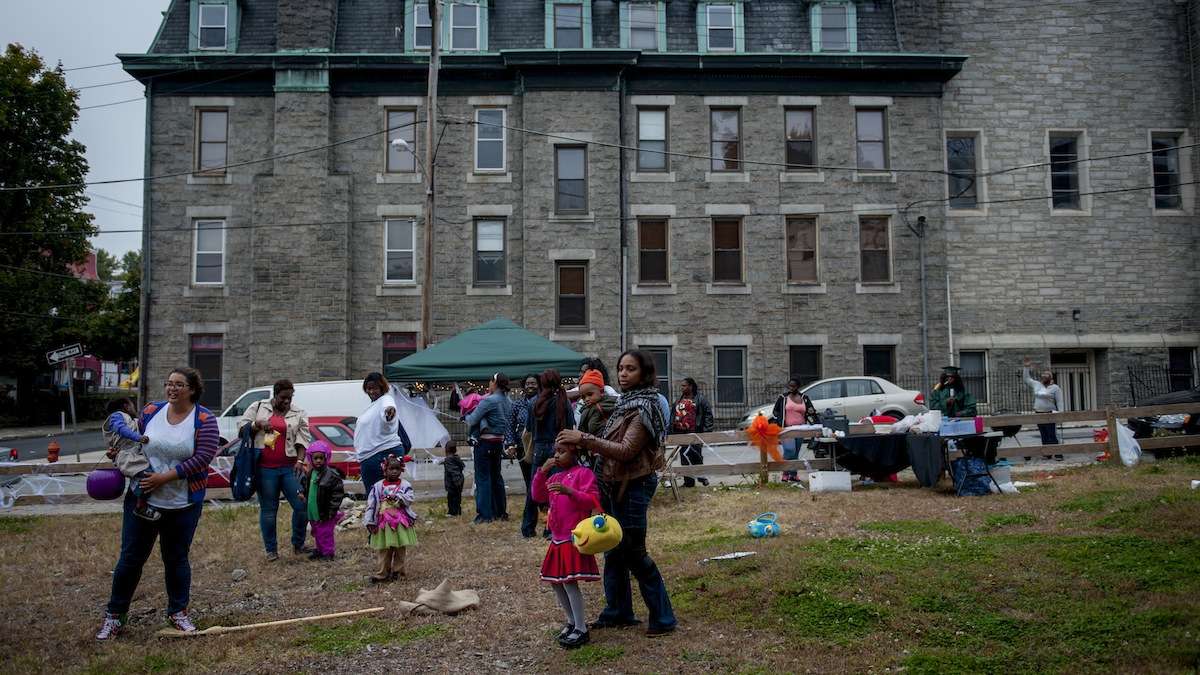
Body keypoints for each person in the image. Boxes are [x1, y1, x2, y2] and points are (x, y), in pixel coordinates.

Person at [557, 349, 677, 638]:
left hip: (633, 485)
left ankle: (663, 618)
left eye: (631, 369)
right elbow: (609, 444)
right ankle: (618, 611)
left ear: (644, 373)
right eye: (621, 368)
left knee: (635, 553)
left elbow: (626, 451)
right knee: (613, 550)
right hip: (612, 483)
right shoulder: (624, 404)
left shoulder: (645, 407)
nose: (623, 373)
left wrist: (583, 437)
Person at [96, 367, 219, 639]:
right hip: (143, 499)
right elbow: (135, 443)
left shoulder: (204, 419)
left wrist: (164, 477)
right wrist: (119, 451)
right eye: (169, 384)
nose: (171, 389)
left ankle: (178, 613)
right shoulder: (152, 411)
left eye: (178, 385)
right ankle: (115, 617)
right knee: (130, 559)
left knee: (176, 559)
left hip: (183, 503)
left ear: (192, 389)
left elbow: (203, 458)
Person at [531, 441, 602, 649]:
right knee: (555, 581)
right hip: (557, 537)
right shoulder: (554, 477)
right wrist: (541, 473)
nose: (557, 456)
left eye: (562, 452)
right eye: (555, 452)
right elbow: (538, 496)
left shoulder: (583, 474)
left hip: (573, 537)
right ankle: (571, 621)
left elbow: (592, 501)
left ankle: (581, 627)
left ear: (575, 453)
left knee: (570, 582)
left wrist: (569, 491)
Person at [238, 379, 313, 561]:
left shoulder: (298, 412)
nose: (286, 401)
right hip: (265, 469)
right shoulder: (258, 407)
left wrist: (300, 460)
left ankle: (298, 544)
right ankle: (271, 550)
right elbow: (241, 429)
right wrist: (258, 425)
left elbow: (304, 438)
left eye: (289, 398)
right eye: (283, 398)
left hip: (290, 468)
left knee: (302, 506)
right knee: (269, 510)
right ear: (275, 394)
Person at [527, 369, 575, 538]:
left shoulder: (534, 402)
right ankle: (550, 529)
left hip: (539, 447)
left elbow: (530, 429)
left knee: (534, 487)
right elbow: (570, 426)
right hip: (559, 447)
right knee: (556, 489)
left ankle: (527, 527)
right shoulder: (563, 402)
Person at [466, 373, 515, 523]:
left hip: (485, 442)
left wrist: (466, 416)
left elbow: (472, 420)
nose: (489, 383)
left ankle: (485, 515)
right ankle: (500, 512)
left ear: (495, 383)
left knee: (483, 478)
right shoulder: (508, 400)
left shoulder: (489, 400)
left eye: (490, 381)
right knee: (496, 477)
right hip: (498, 442)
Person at [355, 372, 412, 494]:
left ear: (382, 388)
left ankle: (386, 514)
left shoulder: (386, 400)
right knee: (381, 495)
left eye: (374, 388)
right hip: (372, 455)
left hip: (381, 453)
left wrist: (389, 412)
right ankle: (384, 513)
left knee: (381, 495)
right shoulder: (373, 405)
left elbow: (388, 409)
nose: (371, 391)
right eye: (368, 388)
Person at [364, 455, 417, 582]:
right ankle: (382, 573)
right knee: (384, 549)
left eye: (397, 469)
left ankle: (399, 573)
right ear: (385, 469)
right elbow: (371, 504)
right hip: (384, 524)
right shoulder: (377, 486)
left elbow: (410, 498)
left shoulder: (405, 485)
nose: (394, 471)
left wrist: (399, 497)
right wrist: (369, 520)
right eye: (391, 469)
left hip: (400, 524)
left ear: (401, 470)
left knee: (400, 548)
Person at [103, 397, 157, 521]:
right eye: (132, 406)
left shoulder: (132, 420)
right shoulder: (116, 416)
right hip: (126, 456)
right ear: (126, 406)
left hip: (133, 455)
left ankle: (142, 502)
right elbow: (121, 429)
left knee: (148, 475)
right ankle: (140, 505)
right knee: (148, 475)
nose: (135, 409)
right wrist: (138, 437)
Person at [299, 440, 345, 561]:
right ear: (311, 459)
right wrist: (302, 493)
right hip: (313, 511)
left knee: (325, 533)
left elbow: (337, 494)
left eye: (321, 458)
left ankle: (328, 553)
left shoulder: (331, 475)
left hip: (325, 511)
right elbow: (306, 486)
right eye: (315, 458)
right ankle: (320, 550)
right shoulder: (310, 473)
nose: (318, 461)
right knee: (317, 531)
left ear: (326, 458)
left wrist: (332, 510)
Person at [770, 378, 817, 482]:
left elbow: (811, 411)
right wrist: (779, 421)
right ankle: (785, 473)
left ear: (798, 386)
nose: (791, 388)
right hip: (787, 429)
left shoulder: (804, 398)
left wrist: (811, 412)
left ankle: (793, 475)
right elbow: (775, 411)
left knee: (795, 452)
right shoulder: (783, 398)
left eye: (793, 386)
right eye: (789, 386)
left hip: (801, 429)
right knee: (789, 450)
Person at [671, 378, 714, 488]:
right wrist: (673, 430)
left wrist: (706, 431)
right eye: (681, 386)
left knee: (697, 457)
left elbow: (708, 415)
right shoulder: (678, 400)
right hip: (682, 434)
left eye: (684, 385)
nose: (682, 388)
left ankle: (702, 477)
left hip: (696, 433)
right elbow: (673, 415)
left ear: (690, 386)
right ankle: (689, 482)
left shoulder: (700, 399)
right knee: (685, 458)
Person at [1024, 358, 1066, 461]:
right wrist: (1026, 367)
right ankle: (1047, 453)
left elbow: (1060, 401)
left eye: (1046, 375)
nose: (1044, 376)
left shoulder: (1055, 388)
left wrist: (1060, 414)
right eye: (1043, 375)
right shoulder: (1037, 385)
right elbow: (1027, 379)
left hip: (1050, 413)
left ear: (1050, 377)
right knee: (1043, 434)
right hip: (1038, 413)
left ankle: (1057, 453)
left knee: (1051, 433)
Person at [577, 369, 617, 437]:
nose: (586, 399)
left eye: (590, 394)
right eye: (583, 397)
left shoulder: (608, 405)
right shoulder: (586, 410)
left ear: (601, 392)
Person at [442, 440, 466, 517]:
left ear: (446, 450)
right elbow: (461, 466)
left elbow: (453, 471)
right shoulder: (456, 458)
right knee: (457, 498)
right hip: (459, 481)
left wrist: (456, 482)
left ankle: (453, 512)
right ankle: (457, 511)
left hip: (453, 483)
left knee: (452, 498)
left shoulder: (448, 460)